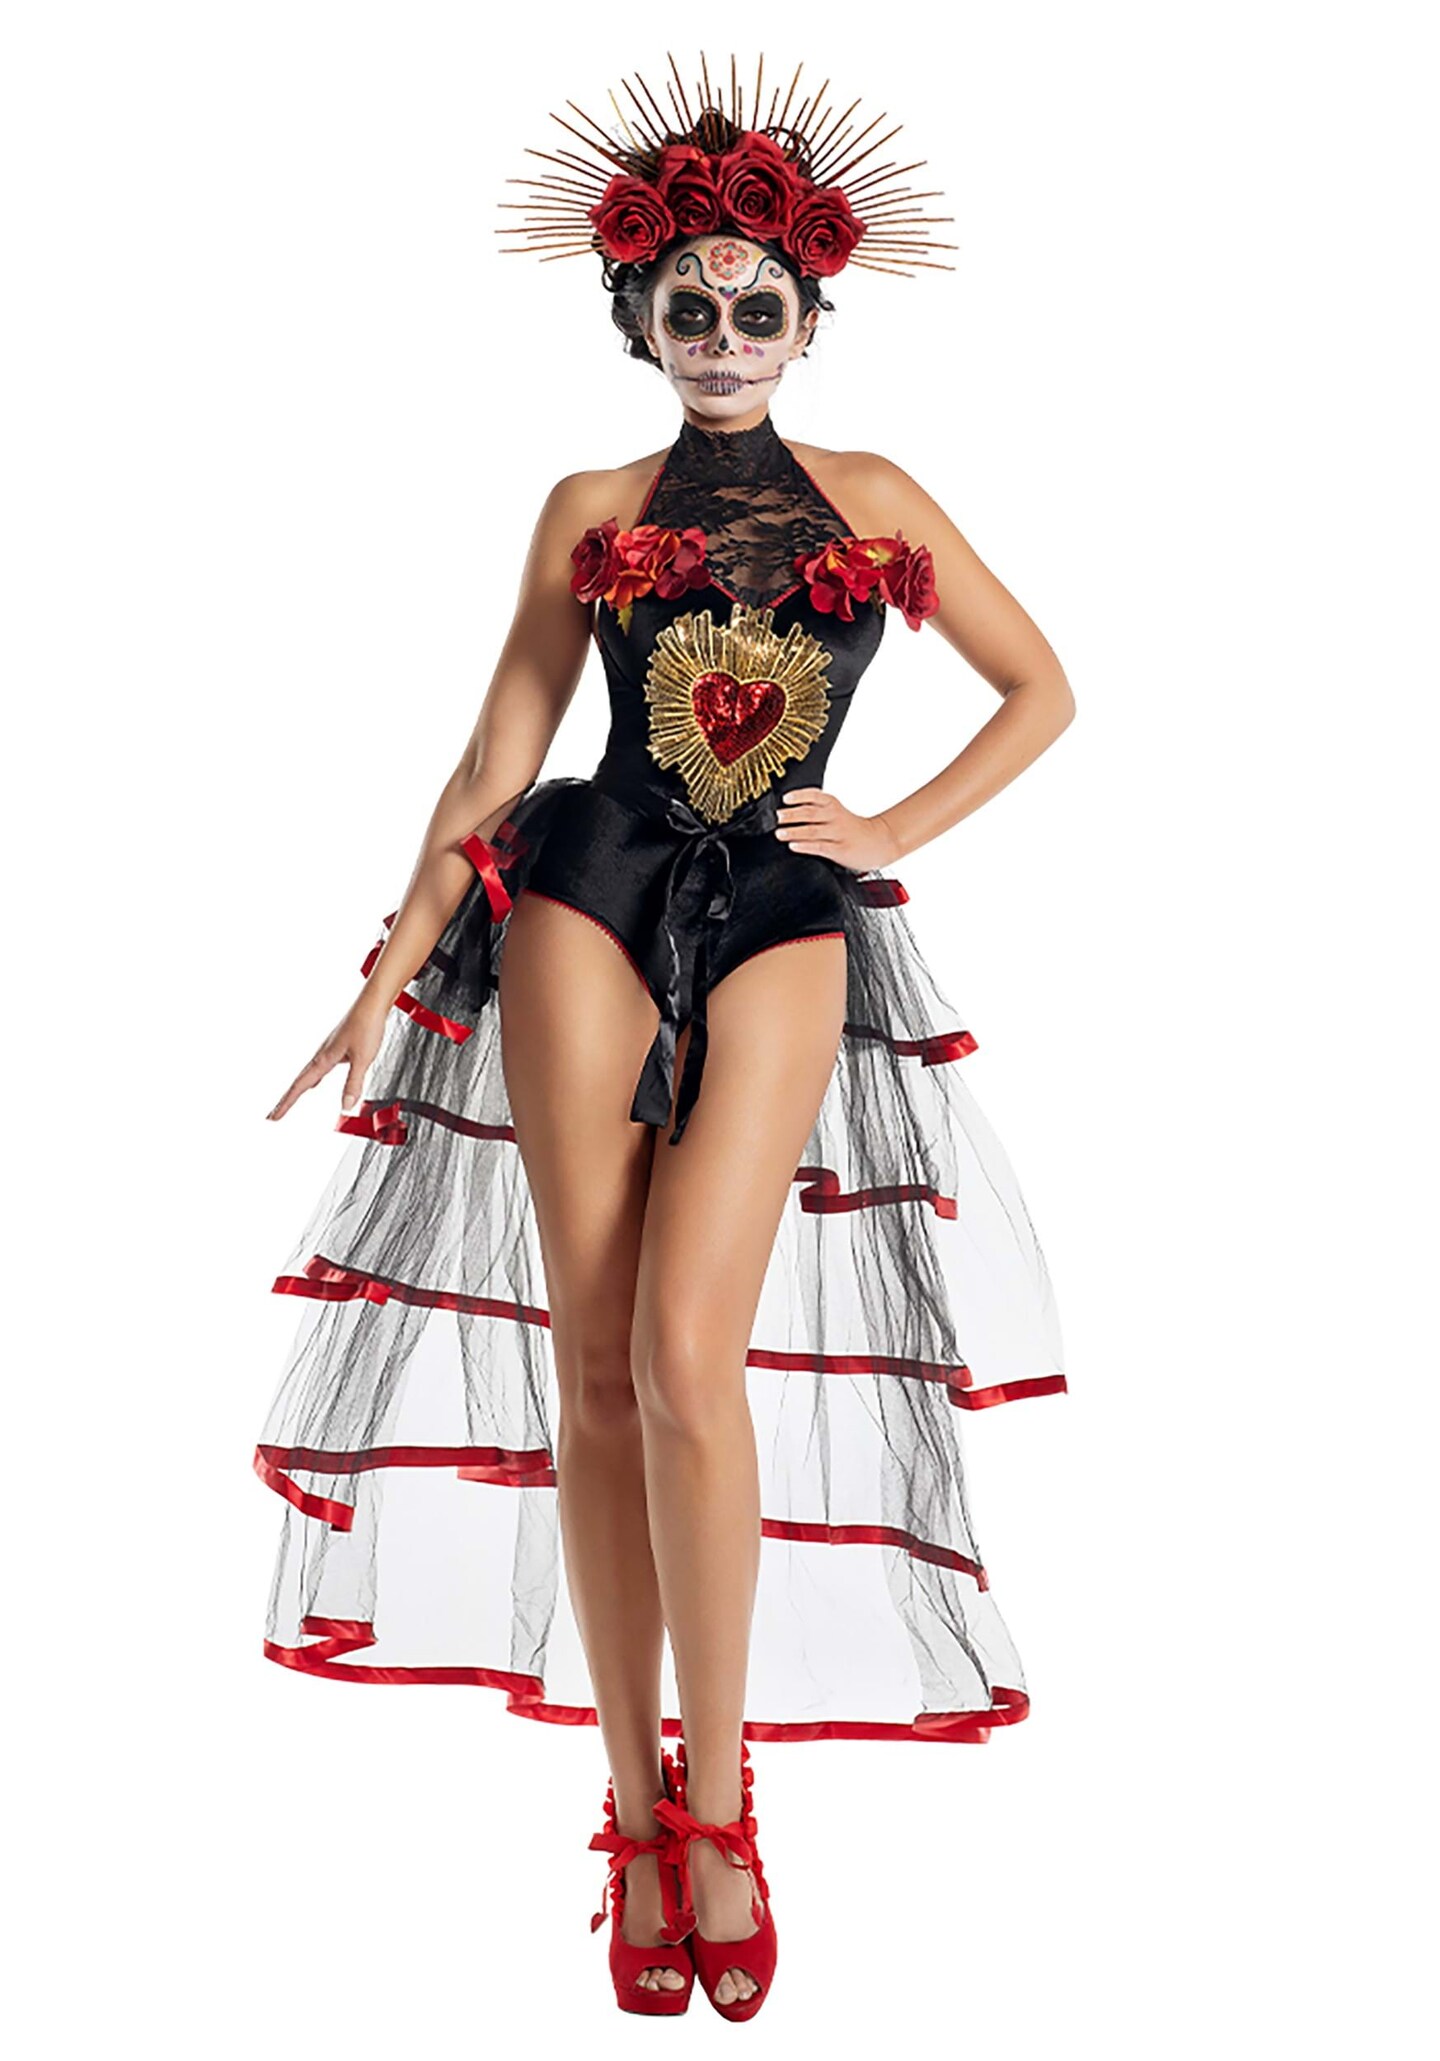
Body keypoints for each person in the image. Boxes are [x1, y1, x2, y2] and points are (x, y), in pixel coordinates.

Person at [257, 56, 1074, 2022]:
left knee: (690, 1355)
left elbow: (1043, 686)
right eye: (685, 304)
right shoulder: (591, 506)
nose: (720, 331)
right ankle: (633, 1809)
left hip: (785, 901)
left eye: (753, 302)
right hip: (587, 887)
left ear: (806, 314)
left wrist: (888, 825)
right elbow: (498, 750)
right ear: (638, 314)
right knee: (602, 1365)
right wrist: (389, 968)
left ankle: (727, 1803)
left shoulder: (875, 498)